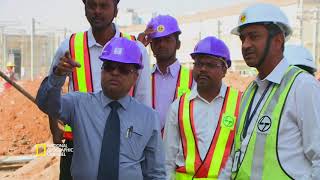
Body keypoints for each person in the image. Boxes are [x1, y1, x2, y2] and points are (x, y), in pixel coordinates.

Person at [48, 0, 151, 179]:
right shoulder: (69, 46)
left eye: (104, 6)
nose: (97, 11)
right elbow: (51, 87)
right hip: (77, 145)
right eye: (92, 5)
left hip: (123, 145)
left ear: (116, 10)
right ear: (85, 8)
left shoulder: (137, 48)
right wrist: (54, 128)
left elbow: (143, 100)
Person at [36, 37, 165, 180]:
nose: (115, 73)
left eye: (123, 69)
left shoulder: (148, 117)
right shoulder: (78, 104)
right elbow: (46, 104)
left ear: (135, 77)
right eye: (109, 66)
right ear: (102, 71)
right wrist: (57, 77)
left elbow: (155, 173)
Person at [219, 3, 320, 179]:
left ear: (278, 40)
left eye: (254, 36)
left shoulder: (303, 86)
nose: (246, 45)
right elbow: (238, 152)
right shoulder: (250, 90)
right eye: (242, 38)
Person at [163, 36, 241, 179]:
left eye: (210, 65)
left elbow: (241, 152)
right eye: (198, 64)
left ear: (224, 69)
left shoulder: (240, 104)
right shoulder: (178, 107)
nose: (202, 69)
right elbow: (168, 159)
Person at [138, 15, 194, 131]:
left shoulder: (193, 79)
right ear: (151, 45)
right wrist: (138, 47)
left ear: (178, 44)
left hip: (179, 148)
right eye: (157, 40)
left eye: (168, 39)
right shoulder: (142, 78)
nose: (162, 44)